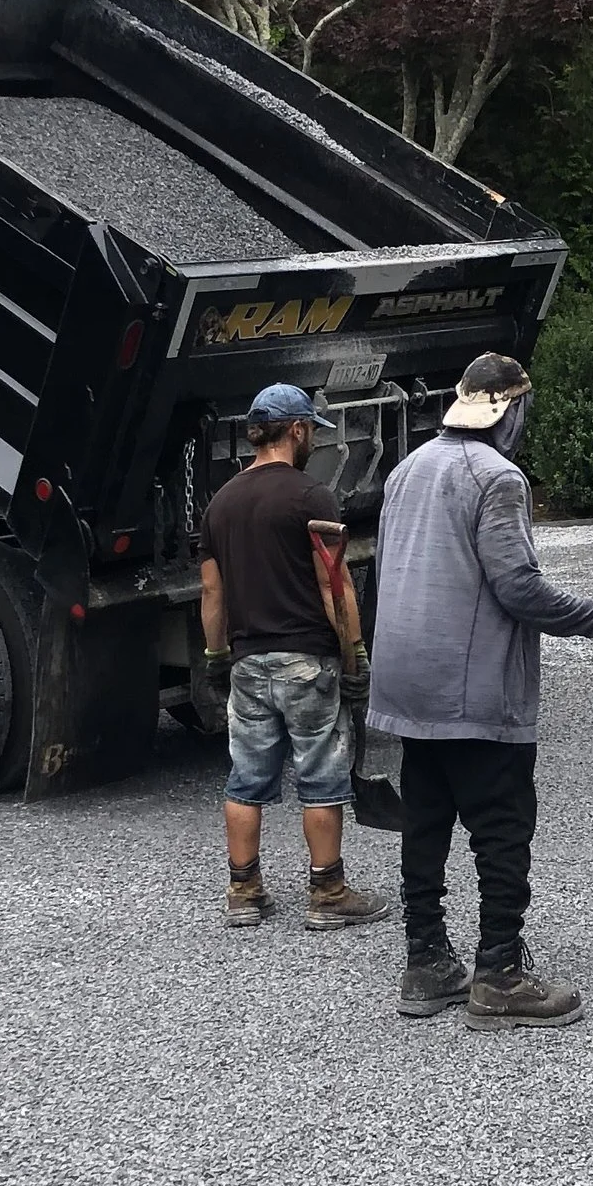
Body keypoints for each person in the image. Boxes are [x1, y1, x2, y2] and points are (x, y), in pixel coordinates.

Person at [368, 350, 593, 1029]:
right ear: (512, 410)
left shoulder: (407, 469)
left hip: (407, 679)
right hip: (472, 686)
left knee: (426, 817)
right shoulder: (498, 478)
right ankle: (498, 973)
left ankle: (425, 960)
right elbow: (520, 590)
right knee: (501, 824)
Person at [197, 381, 387, 932]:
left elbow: (213, 592)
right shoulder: (310, 498)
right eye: (312, 432)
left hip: (248, 662)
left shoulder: (220, 504)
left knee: (245, 777)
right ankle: (327, 892)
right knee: (322, 776)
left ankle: (243, 890)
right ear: (298, 430)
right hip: (307, 659)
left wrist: (215, 656)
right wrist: (355, 656)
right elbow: (337, 588)